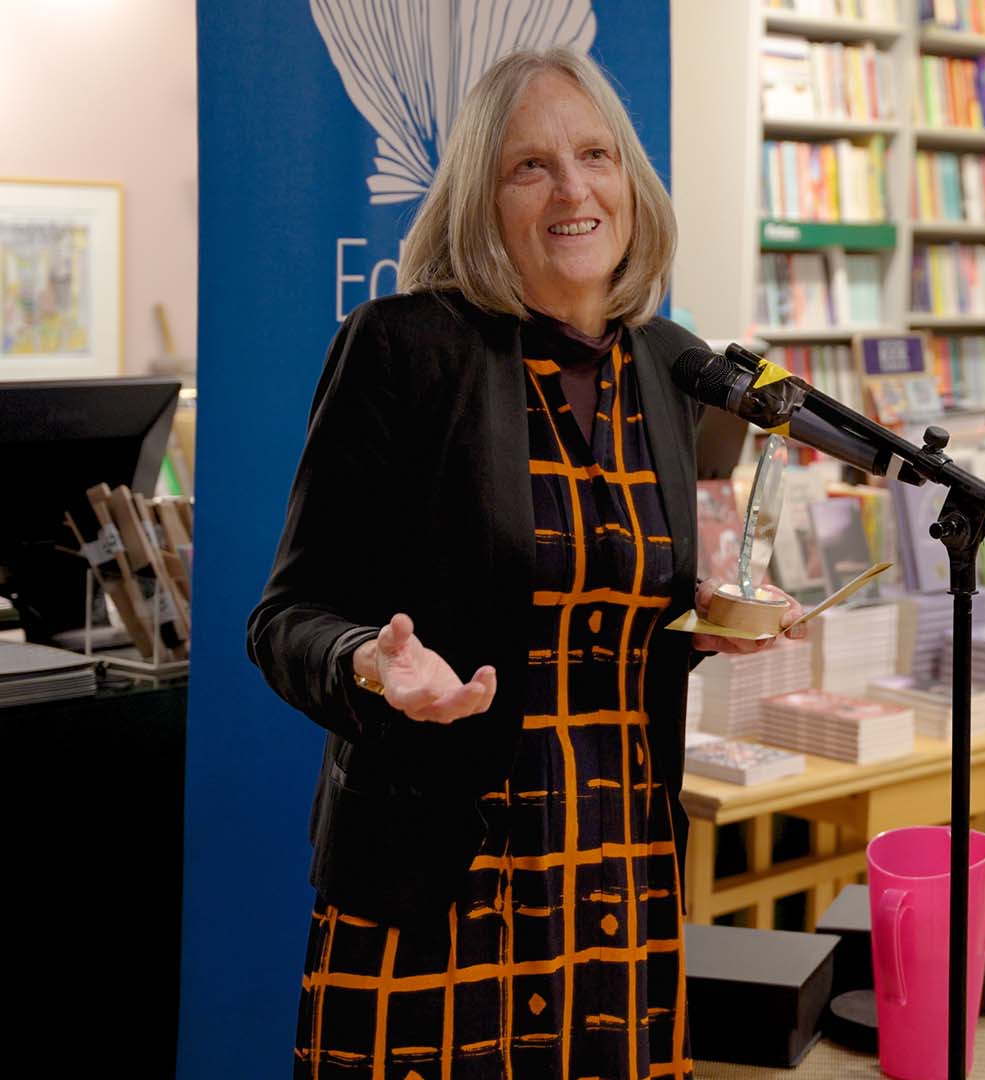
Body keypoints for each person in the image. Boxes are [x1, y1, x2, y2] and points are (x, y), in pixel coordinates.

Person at [249, 49, 801, 1079]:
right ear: (481, 199)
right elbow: (285, 617)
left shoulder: (667, 364)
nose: (573, 190)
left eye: (596, 156)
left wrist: (704, 621)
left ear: (632, 182)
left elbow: (597, 608)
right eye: (530, 167)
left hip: (619, 860)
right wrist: (371, 661)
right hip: (444, 874)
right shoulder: (402, 348)